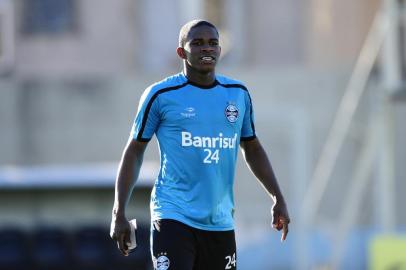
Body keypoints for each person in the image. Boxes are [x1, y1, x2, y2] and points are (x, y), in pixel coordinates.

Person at [110, 19, 290, 270]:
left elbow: (252, 147)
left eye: (213, 43)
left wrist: (277, 197)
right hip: (173, 216)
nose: (207, 48)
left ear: (219, 50)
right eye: (197, 43)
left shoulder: (237, 94)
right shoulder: (160, 95)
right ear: (181, 52)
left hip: (220, 222)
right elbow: (134, 151)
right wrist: (118, 213)